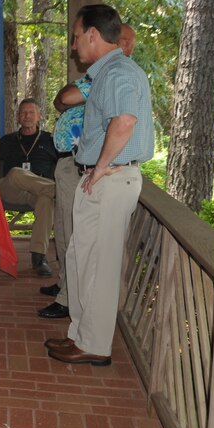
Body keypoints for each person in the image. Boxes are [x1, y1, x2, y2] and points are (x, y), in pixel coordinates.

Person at [45, 6, 153, 365]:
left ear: (93, 34)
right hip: (101, 177)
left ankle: (95, 345)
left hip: (110, 177)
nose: (74, 46)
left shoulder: (119, 71)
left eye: (76, 37)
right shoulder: (105, 73)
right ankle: (81, 334)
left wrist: (100, 166)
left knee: (100, 264)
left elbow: (124, 121)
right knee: (81, 258)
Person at [39, 23, 136, 320]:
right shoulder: (99, 75)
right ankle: (66, 287)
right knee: (66, 231)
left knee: (76, 236)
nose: (123, 45)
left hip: (91, 167)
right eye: (119, 39)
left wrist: (100, 166)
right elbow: (60, 98)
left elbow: (66, 99)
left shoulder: (116, 76)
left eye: (126, 41)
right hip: (72, 161)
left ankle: (70, 299)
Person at [0, 98, 59, 276]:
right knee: (16, 173)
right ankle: (57, 192)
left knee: (46, 201)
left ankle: (39, 257)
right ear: (17, 117)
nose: (27, 116)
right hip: (12, 189)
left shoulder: (50, 141)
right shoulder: (7, 141)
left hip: (37, 191)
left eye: (31, 112)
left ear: (39, 116)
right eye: (23, 112)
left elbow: (65, 164)